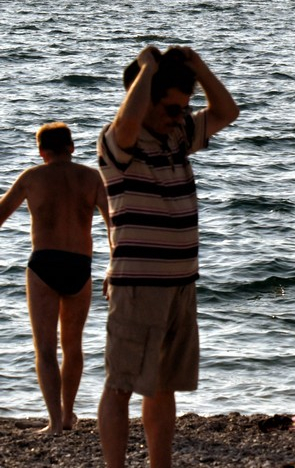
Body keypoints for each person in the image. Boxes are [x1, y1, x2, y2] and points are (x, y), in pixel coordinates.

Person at [96, 45, 239, 468]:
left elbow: (227, 111)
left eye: (184, 108)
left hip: (180, 282)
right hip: (139, 285)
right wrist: (145, 69)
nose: (181, 115)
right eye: (172, 107)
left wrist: (197, 66)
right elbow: (127, 119)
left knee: (163, 386)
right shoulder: (118, 142)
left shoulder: (177, 136)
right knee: (121, 384)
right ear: (143, 99)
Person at [0, 122, 109, 434]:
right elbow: (114, 223)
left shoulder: (31, 177)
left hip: (44, 265)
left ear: (41, 151)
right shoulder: (92, 178)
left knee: (45, 348)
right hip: (80, 266)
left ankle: (54, 422)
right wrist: (115, 266)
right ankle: (68, 414)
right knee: (73, 347)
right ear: (71, 147)